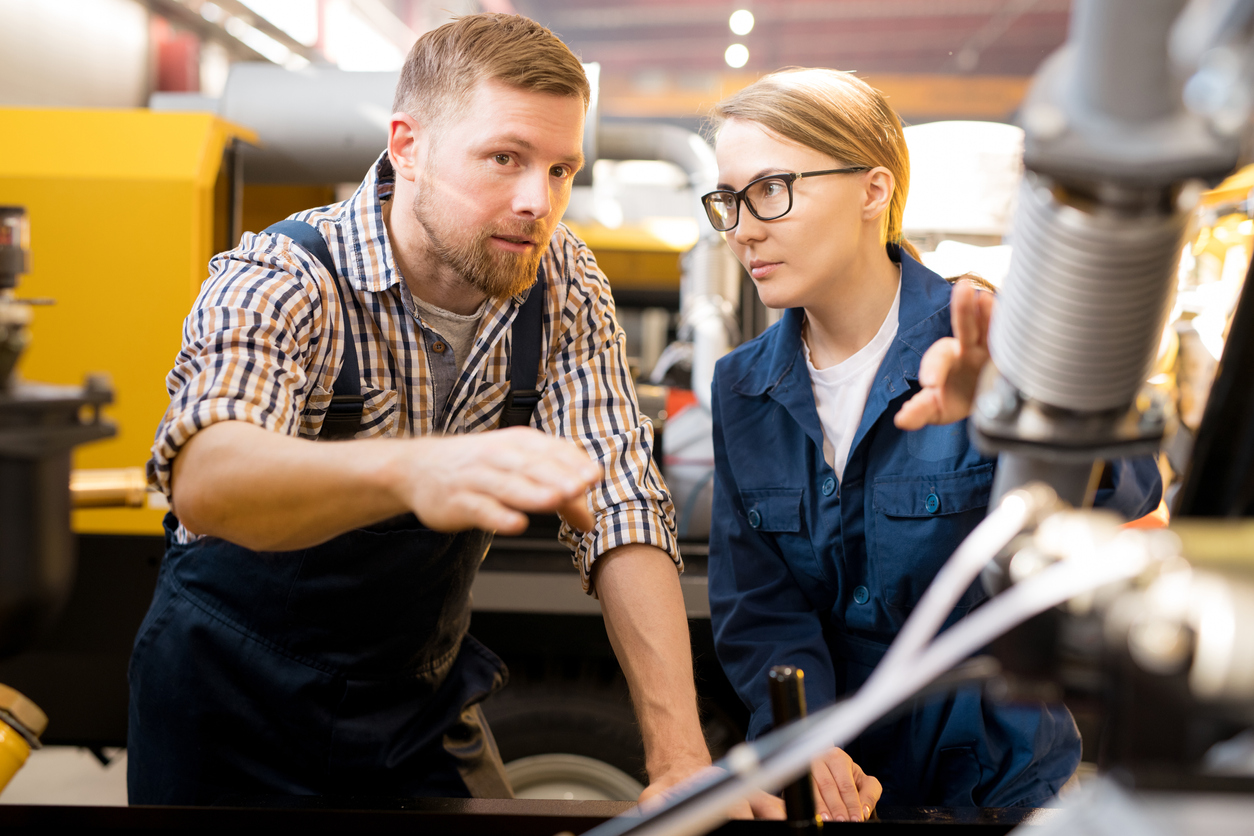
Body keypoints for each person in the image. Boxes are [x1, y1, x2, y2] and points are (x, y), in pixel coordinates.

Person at [128, 14, 714, 806]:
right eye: (504, 158)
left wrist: (680, 758)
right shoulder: (282, 275)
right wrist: (415, 466)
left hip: (413, 703)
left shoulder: (561, 282)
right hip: (223, 705)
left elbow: (621, 505)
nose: (536, 202)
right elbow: (207, 476)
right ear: (406, 144)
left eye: (560, 169)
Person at [703, 68, 1162, 817]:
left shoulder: (989, 341)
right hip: (841, 795)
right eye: (729, 200)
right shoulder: (742, 388)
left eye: (772, 189)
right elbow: (761, 607)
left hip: (1000, 793)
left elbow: (1136, 487)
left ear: (872, 191)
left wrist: (1024, 407)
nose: (745, 227)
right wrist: (806, 741)